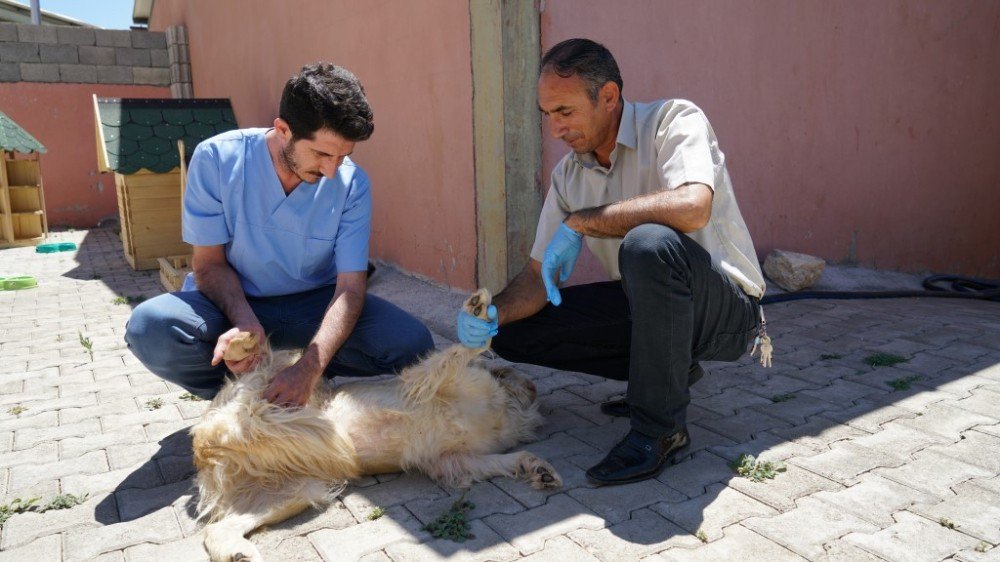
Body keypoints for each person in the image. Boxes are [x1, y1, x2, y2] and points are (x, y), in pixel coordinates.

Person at [456, 39, 769, 486]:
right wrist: (490, 315)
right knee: (514, 329)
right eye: (548, 115)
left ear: (607, 97)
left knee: (648, 244)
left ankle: (658, 431)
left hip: (726, 310)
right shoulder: (569, 175)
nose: (556, 130)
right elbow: (535, 277)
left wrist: (583, 222)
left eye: (564, 112)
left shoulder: (673, 121)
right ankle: (663, 377)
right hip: (653, 307)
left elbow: (693, 206)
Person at [126, 62, 434, 407]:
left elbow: (350, 288)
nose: (332, 171)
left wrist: (310, 368)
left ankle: (307, 377)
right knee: (149, 328)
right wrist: (244, 323)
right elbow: (208, 265)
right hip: (234, 302)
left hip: (313, 305)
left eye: (343, 156)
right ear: (283, 129)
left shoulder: (353, 183)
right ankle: (238, 392)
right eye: (321, 153)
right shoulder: (215, 159)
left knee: (413, 345)